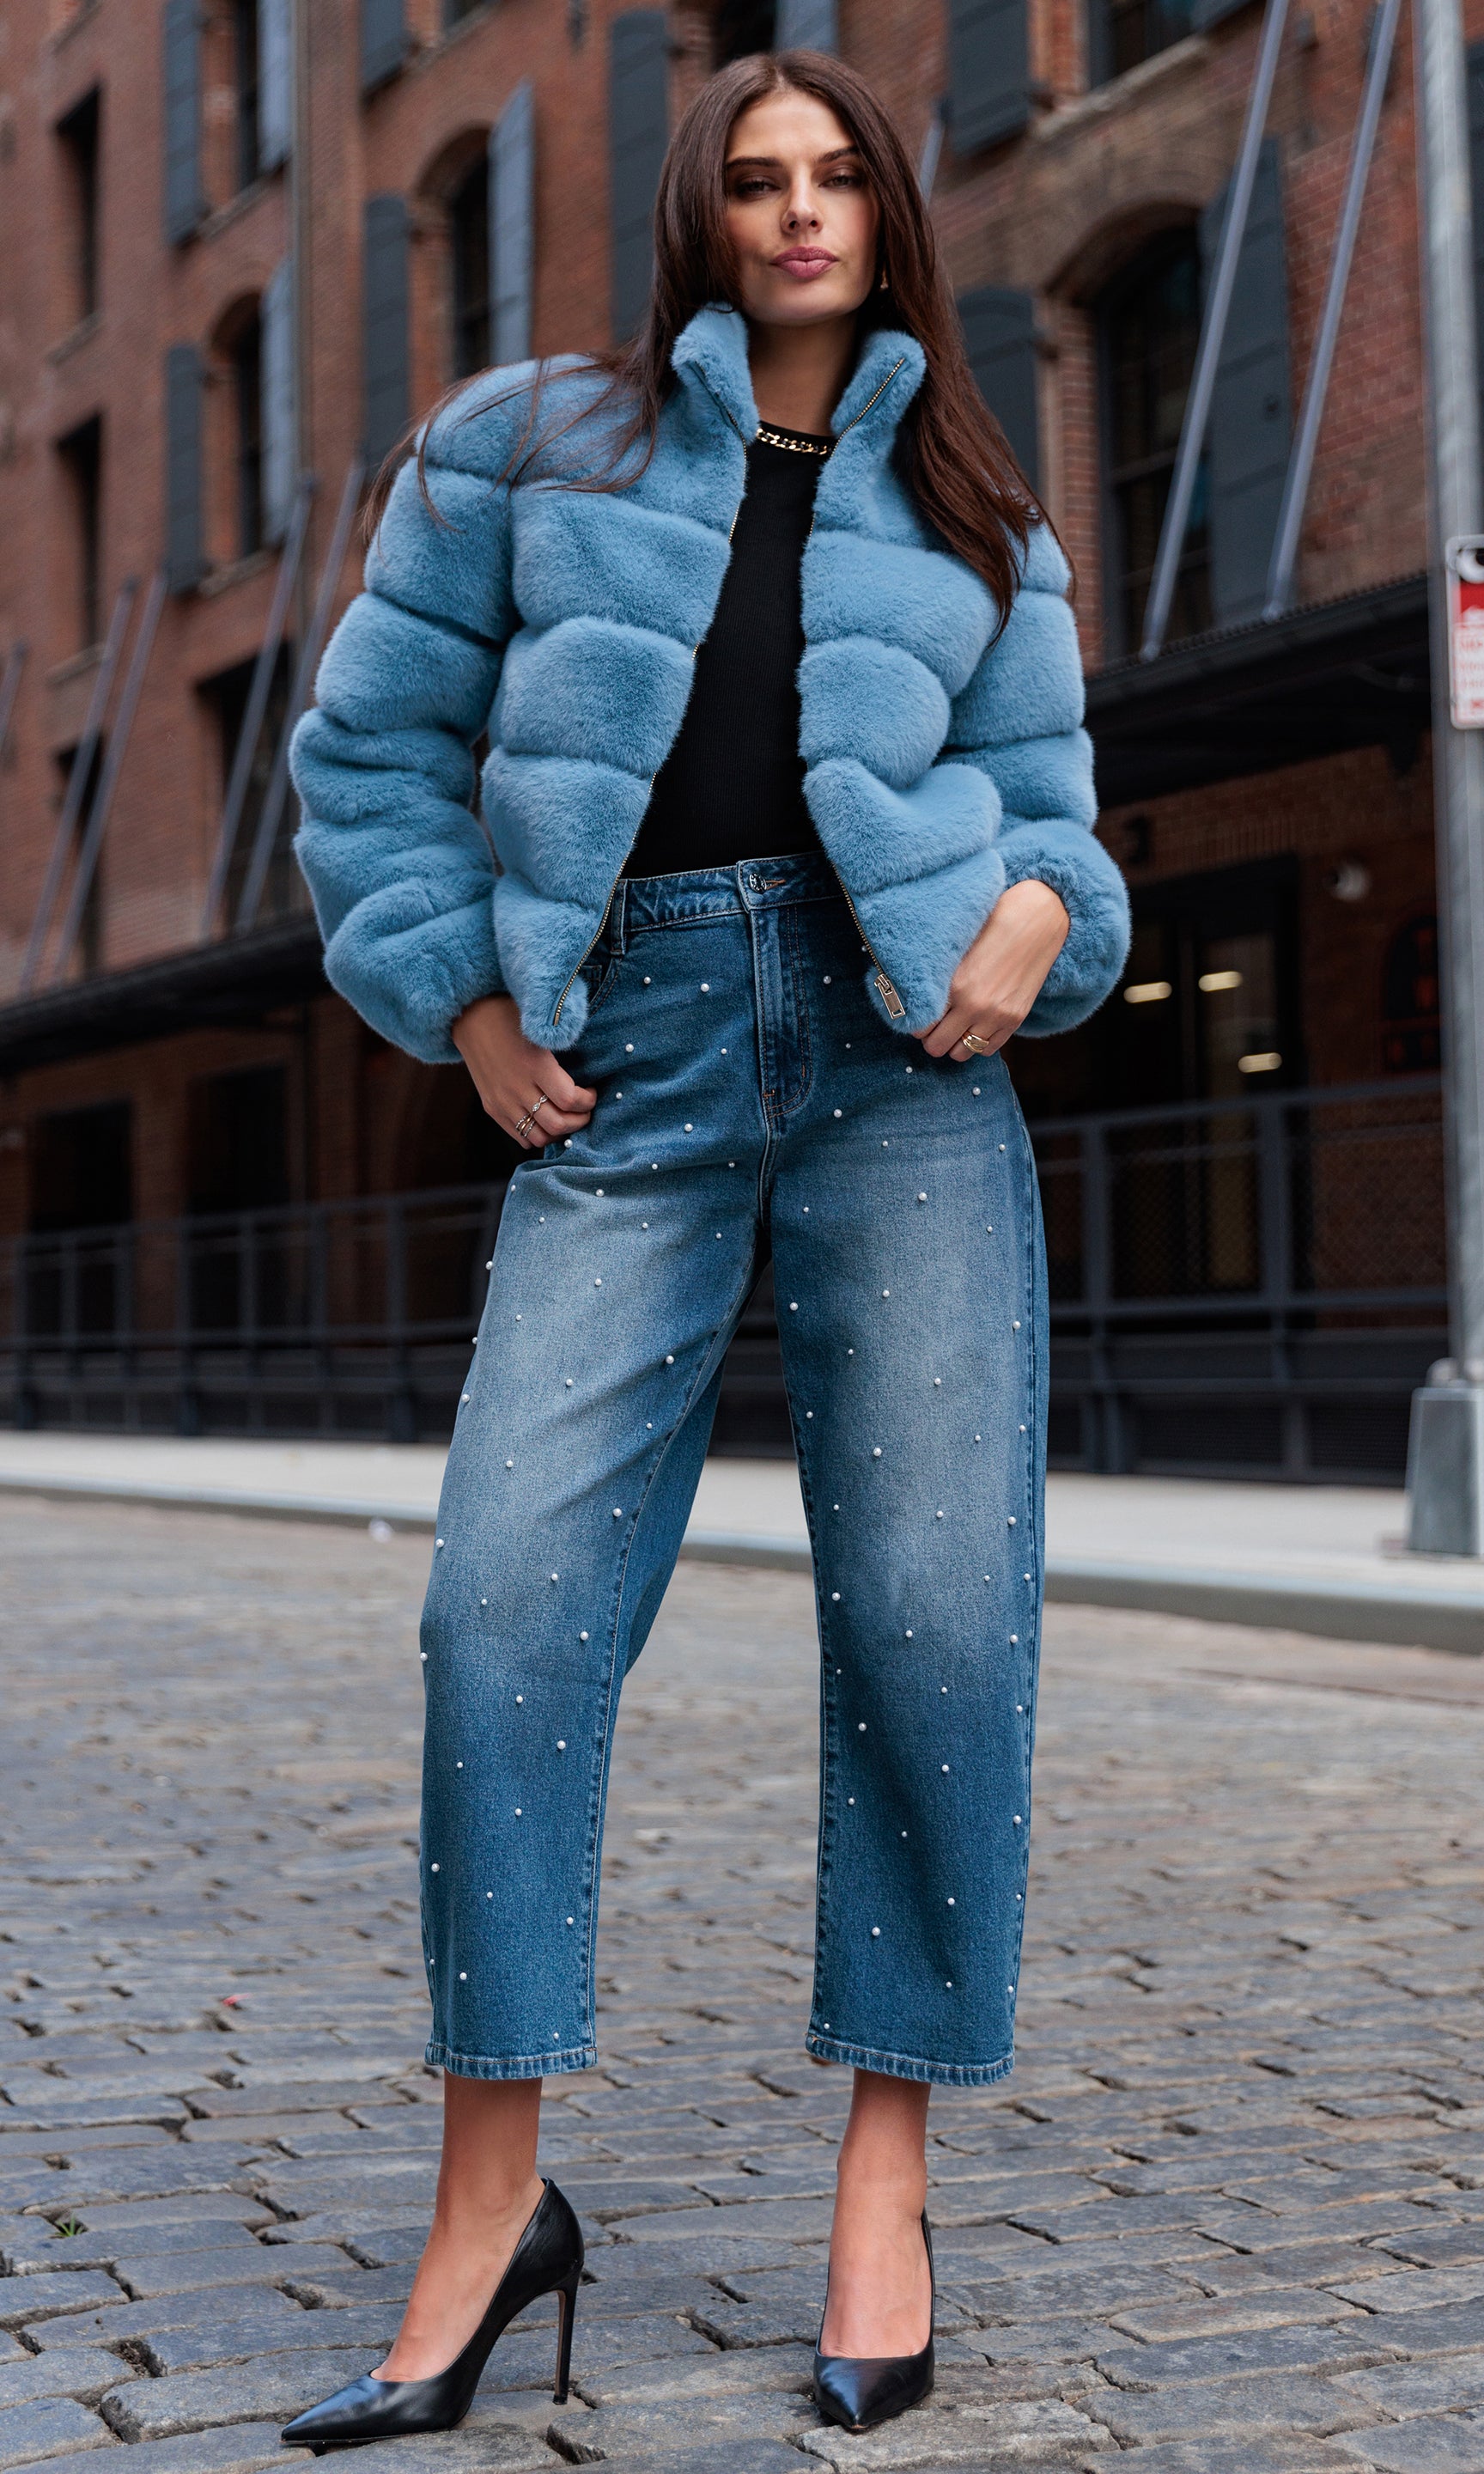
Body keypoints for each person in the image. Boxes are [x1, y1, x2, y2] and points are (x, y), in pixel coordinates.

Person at [279, 46, 1128, 2447]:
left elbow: (1065, 819)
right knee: (504, 1607)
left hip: (903, 1078)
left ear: (889, 210)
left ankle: (888, 2181)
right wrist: (453, 989)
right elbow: (365, 755)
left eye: (835, 172)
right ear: (702, 214)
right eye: (753, 180)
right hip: (627, 1064)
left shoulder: (977, 503)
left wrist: (1038, 919)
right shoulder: (526, 450)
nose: (796, 212)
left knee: (937, 1615)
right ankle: (492, 2201)